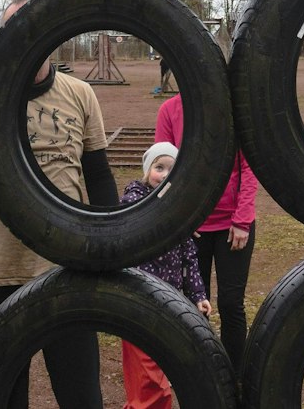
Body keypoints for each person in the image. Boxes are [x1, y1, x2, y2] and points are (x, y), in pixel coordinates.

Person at [0, 0, 117, 408]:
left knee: (81, 396)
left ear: (50, 35)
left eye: (32, 27)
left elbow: (99, 176)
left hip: (65, 264)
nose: (22, 38)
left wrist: (115, 244)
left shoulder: (80, 93)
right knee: (3, 397)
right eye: (10, 29)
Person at [154, 91, 256, 368]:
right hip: (192, 229)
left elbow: (249, 166)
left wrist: (242, 220)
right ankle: (202, 374)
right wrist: (182, 220)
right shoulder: (170, 110)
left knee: (231, 304)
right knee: (193, 306)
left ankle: (236, 375)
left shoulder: (235, 110)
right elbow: (163, 172)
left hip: (233, 228)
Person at [117, 142, 210, 409]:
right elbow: (133, 214)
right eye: (159, 168)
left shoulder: (179, 211)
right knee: (148, 378)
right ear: (147, 172)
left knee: (159, 369)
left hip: (170, 301)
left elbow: (189, 259)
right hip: (139, 300)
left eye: (171, 169)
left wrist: (198, 295)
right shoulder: (135, 199)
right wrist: (171, 210)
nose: (165, 174)